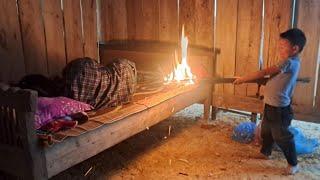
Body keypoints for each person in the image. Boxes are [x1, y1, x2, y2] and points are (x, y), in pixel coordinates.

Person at [234, 28, 306, 175]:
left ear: (295, 48)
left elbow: (264, 72)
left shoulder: (290, 63)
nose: (279, 49)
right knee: (266, 131)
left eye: (282, 46)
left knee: (282, 136)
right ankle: (265, 152)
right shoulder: (289, 63)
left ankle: (293, 164)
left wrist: (244, 79)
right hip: (270, 106)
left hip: (280, 109)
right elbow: (272, 78)